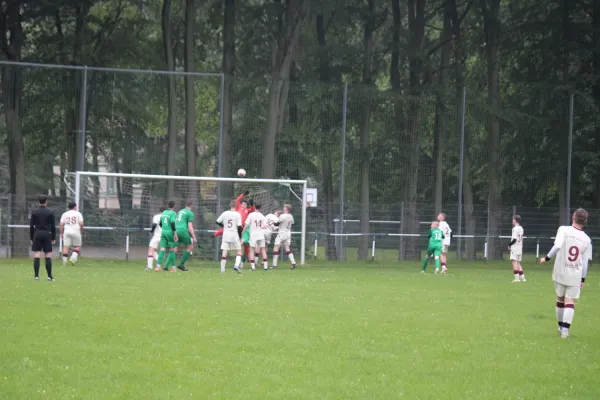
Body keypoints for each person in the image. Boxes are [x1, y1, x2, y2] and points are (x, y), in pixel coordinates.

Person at [539, 208, 592, 339]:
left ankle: (560, 326)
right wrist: (583, 279)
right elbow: (585, 262)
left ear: (573, 217)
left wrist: (546, 258)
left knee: (560, 299)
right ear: (585, 221)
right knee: (570, 302)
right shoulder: (586, 239)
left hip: (560, 271)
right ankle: (565, 331)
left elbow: (557, 246)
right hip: (575, 273)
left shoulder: (563, 229)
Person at [214, 191, 255, 265]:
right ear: (241, 204)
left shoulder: (247, 210)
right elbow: (237, 200)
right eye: (243, 204)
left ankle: (243, 259)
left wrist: (252, 204)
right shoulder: (238, 208)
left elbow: (252, 209)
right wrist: (243, 194)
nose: (244, 205)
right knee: (238, 244)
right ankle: (215, 234)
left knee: (245, 244)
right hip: (235, 228)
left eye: (245, 204)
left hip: (243, 228)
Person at [29, 195, 56, 281]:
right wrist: (53, 237)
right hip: (47, 233)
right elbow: (53, 226)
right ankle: (49, 276)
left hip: (37, 233)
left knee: (37, 254)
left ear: (38, 201)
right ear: (46, 201)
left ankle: (36, 276)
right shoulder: (50, 212)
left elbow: (31, 226)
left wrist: (32, 237)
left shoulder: (34, 212)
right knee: (47, 254)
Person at [216, 199, 243, 274]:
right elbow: (239, 227)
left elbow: (217, 221)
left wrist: (224, 226)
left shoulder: (225, 213)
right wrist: (240, 237)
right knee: (239, 251)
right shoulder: (237, 214)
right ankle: (236, 265)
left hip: (226, 234)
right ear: (236, 205)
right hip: (234, 234)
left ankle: (222, 270)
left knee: (225, 251)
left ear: (230, 205)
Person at [156, 201, 179, 272]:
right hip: (170, 232)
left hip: (163, 232)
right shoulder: (173, 213)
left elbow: (160, 223)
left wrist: (165, 228)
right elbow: (172, 223)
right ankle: (173, 268)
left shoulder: (164, 212)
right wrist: (175, 233)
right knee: (172, 250)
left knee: (162, 249)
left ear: (168, 205)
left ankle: (158, 267)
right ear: (174, 206)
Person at [243, 204, 268, 270]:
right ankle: (265, 267)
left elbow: (246, 225)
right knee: (263, 250)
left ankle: (253, 267)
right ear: (260, 208)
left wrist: (242, 232)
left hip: (253, 234)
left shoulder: (251, 215)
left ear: (254, 207)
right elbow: (265, 226)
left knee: (252, 250)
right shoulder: (262, 216)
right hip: (261, 234)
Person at [175, 200, 197, 272]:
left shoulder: (180, 211)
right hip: (182, 231)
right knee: (190, 247)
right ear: (191, 206)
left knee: (175, 247)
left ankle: (168, 266)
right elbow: (190, 227)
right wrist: (194, 236)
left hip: (176, 230)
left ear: (185, 205)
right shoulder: (190, 213)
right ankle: (181, 265)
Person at [59, 201, 84, 266]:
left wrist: (61, 233)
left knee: (66, 247)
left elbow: (61, 224)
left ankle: (64, 263)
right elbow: (81, 223)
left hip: (67, 231)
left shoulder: (65, 214)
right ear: (75, 206)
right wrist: (81, 229)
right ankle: (73, 258)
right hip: (76, 230)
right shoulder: (78, 214)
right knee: (77, 246)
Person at [272, 204, 296, 269]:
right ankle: (293, 263)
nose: (283, 208)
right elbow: (292, 222)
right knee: (287, 248)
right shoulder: (291, 216)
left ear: (286, 209)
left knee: (276, 247)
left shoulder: (283, 216)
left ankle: (274, 265)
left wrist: (273, 220)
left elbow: (276, 224)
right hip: (288, 233)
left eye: (284, 207)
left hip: (282, 233)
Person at [508, 215, 525, 282]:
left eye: (513, 219)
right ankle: (523, 278)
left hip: (515, 247)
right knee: (518, 263)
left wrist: (509, 245)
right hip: (520, 246)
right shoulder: (521, 228)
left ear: (515, 220)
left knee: (514, 262)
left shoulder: (515, 228)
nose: (512, 221)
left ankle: (516, 278)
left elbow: (514, 239)